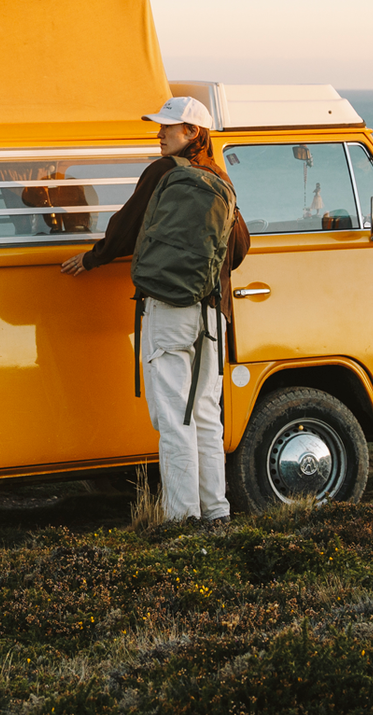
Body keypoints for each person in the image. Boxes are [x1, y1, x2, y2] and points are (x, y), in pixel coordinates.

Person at [61, 95, 249, 524]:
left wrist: (93, 258)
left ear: (192, 133)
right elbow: (239, 248)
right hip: (213, 314)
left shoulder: (163, 173)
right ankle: (215, 510)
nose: (159, 132)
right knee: (204, 413)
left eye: (169, 127)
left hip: (168, 310)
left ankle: (182, 517)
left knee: (172, 417)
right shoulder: (220, 179)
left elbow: (125, 228)